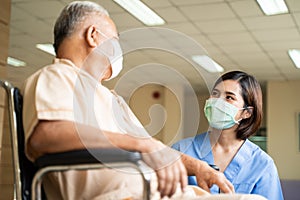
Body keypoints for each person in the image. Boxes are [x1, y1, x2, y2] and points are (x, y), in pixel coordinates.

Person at [21, 1, 266, 199]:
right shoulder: (57, 75)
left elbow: (151, 145)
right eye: (115, 41)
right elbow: (46, 136)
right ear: (93, 36)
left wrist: (199, 167)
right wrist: (141, 146)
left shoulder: (110, 98)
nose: (118, 50)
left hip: (155, 192)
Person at [172, 71, 284, 200]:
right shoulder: (182, 150)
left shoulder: (262, 164)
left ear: (246, 112)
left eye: (229, 97)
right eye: (215, 94)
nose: (218, 102)